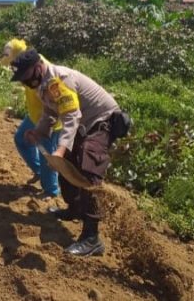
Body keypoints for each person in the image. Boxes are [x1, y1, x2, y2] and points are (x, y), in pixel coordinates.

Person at [10, 48, 123, 257]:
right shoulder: (43, 84)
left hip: (104, 120)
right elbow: (51, 112)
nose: (25, 82)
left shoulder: (59, 81)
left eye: (25, 76)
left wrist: (60, 150)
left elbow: (71, 116)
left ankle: (92, 238)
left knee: (89, 171)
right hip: (85, 124)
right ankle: (74, 209)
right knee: (67, 164)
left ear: (37, 67)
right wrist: (39, 131)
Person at [0, 39, 60, 198]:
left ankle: (51, 190)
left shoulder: (40, 69)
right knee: (20, 139)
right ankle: (39, 172)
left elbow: (52, 105)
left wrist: (40, 128)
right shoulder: (26, 66)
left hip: (47, 120)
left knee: (46, 152)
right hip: (34, 115)